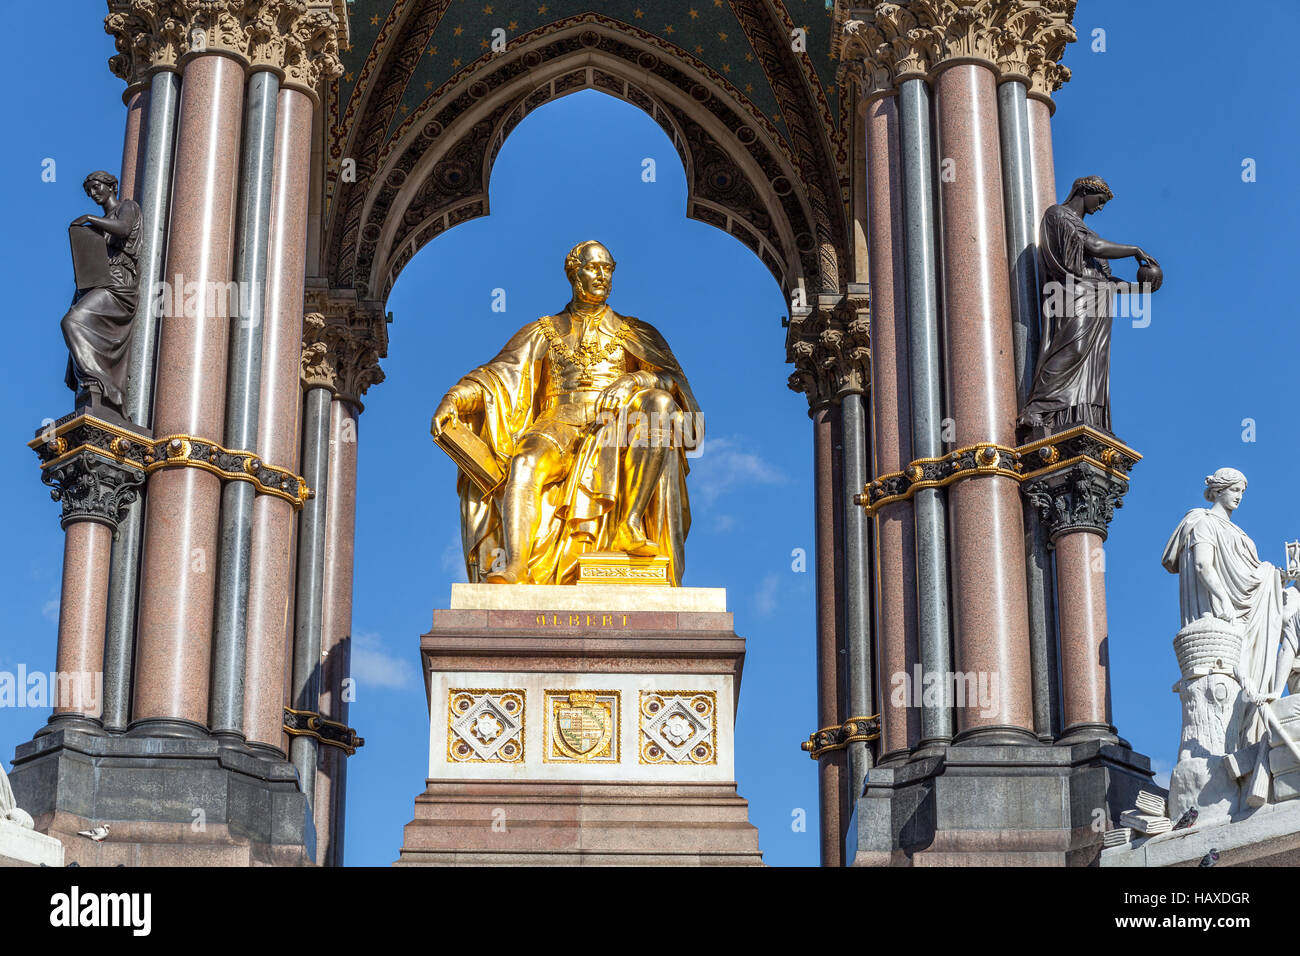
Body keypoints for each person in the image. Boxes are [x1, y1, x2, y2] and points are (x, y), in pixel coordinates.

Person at [431, 240, 701, 585]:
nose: (602, 275)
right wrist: (454, 398)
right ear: (574, 273)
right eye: (593, 267)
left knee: (660, 405)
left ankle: (629, 524)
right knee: (525, 462)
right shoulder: (543, 330)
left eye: (608, 268)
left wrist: (636, 379)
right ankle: (516, 565)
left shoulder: (637, 331)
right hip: (555, 422)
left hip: (613, 426)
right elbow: (495, 376)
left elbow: (674, 383)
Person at [1019, 175, 1158, 435]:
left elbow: (1106, 280)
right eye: (1100, 200)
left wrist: (1140, 288)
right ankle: (1037, 409)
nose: (1100, 207)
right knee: (1072, 349)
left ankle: (1078, 414)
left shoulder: (1087, 230)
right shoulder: (1058, 215)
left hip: (1098, 302)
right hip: (1075, 297)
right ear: (1084, 191)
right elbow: (1092, 247)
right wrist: (1135, 250)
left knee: (1093, 365)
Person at [62, 170, 141, 414]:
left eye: (96, 188)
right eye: (89, 192)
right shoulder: (98, 230)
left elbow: (123, 228)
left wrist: (90, 218)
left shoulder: (127, 207)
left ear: (112, 186)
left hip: (118, 283)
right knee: (73, 319)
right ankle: (95, 383)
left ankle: (96, 380)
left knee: (72, 322)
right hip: (100, 281)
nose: (93, 194)